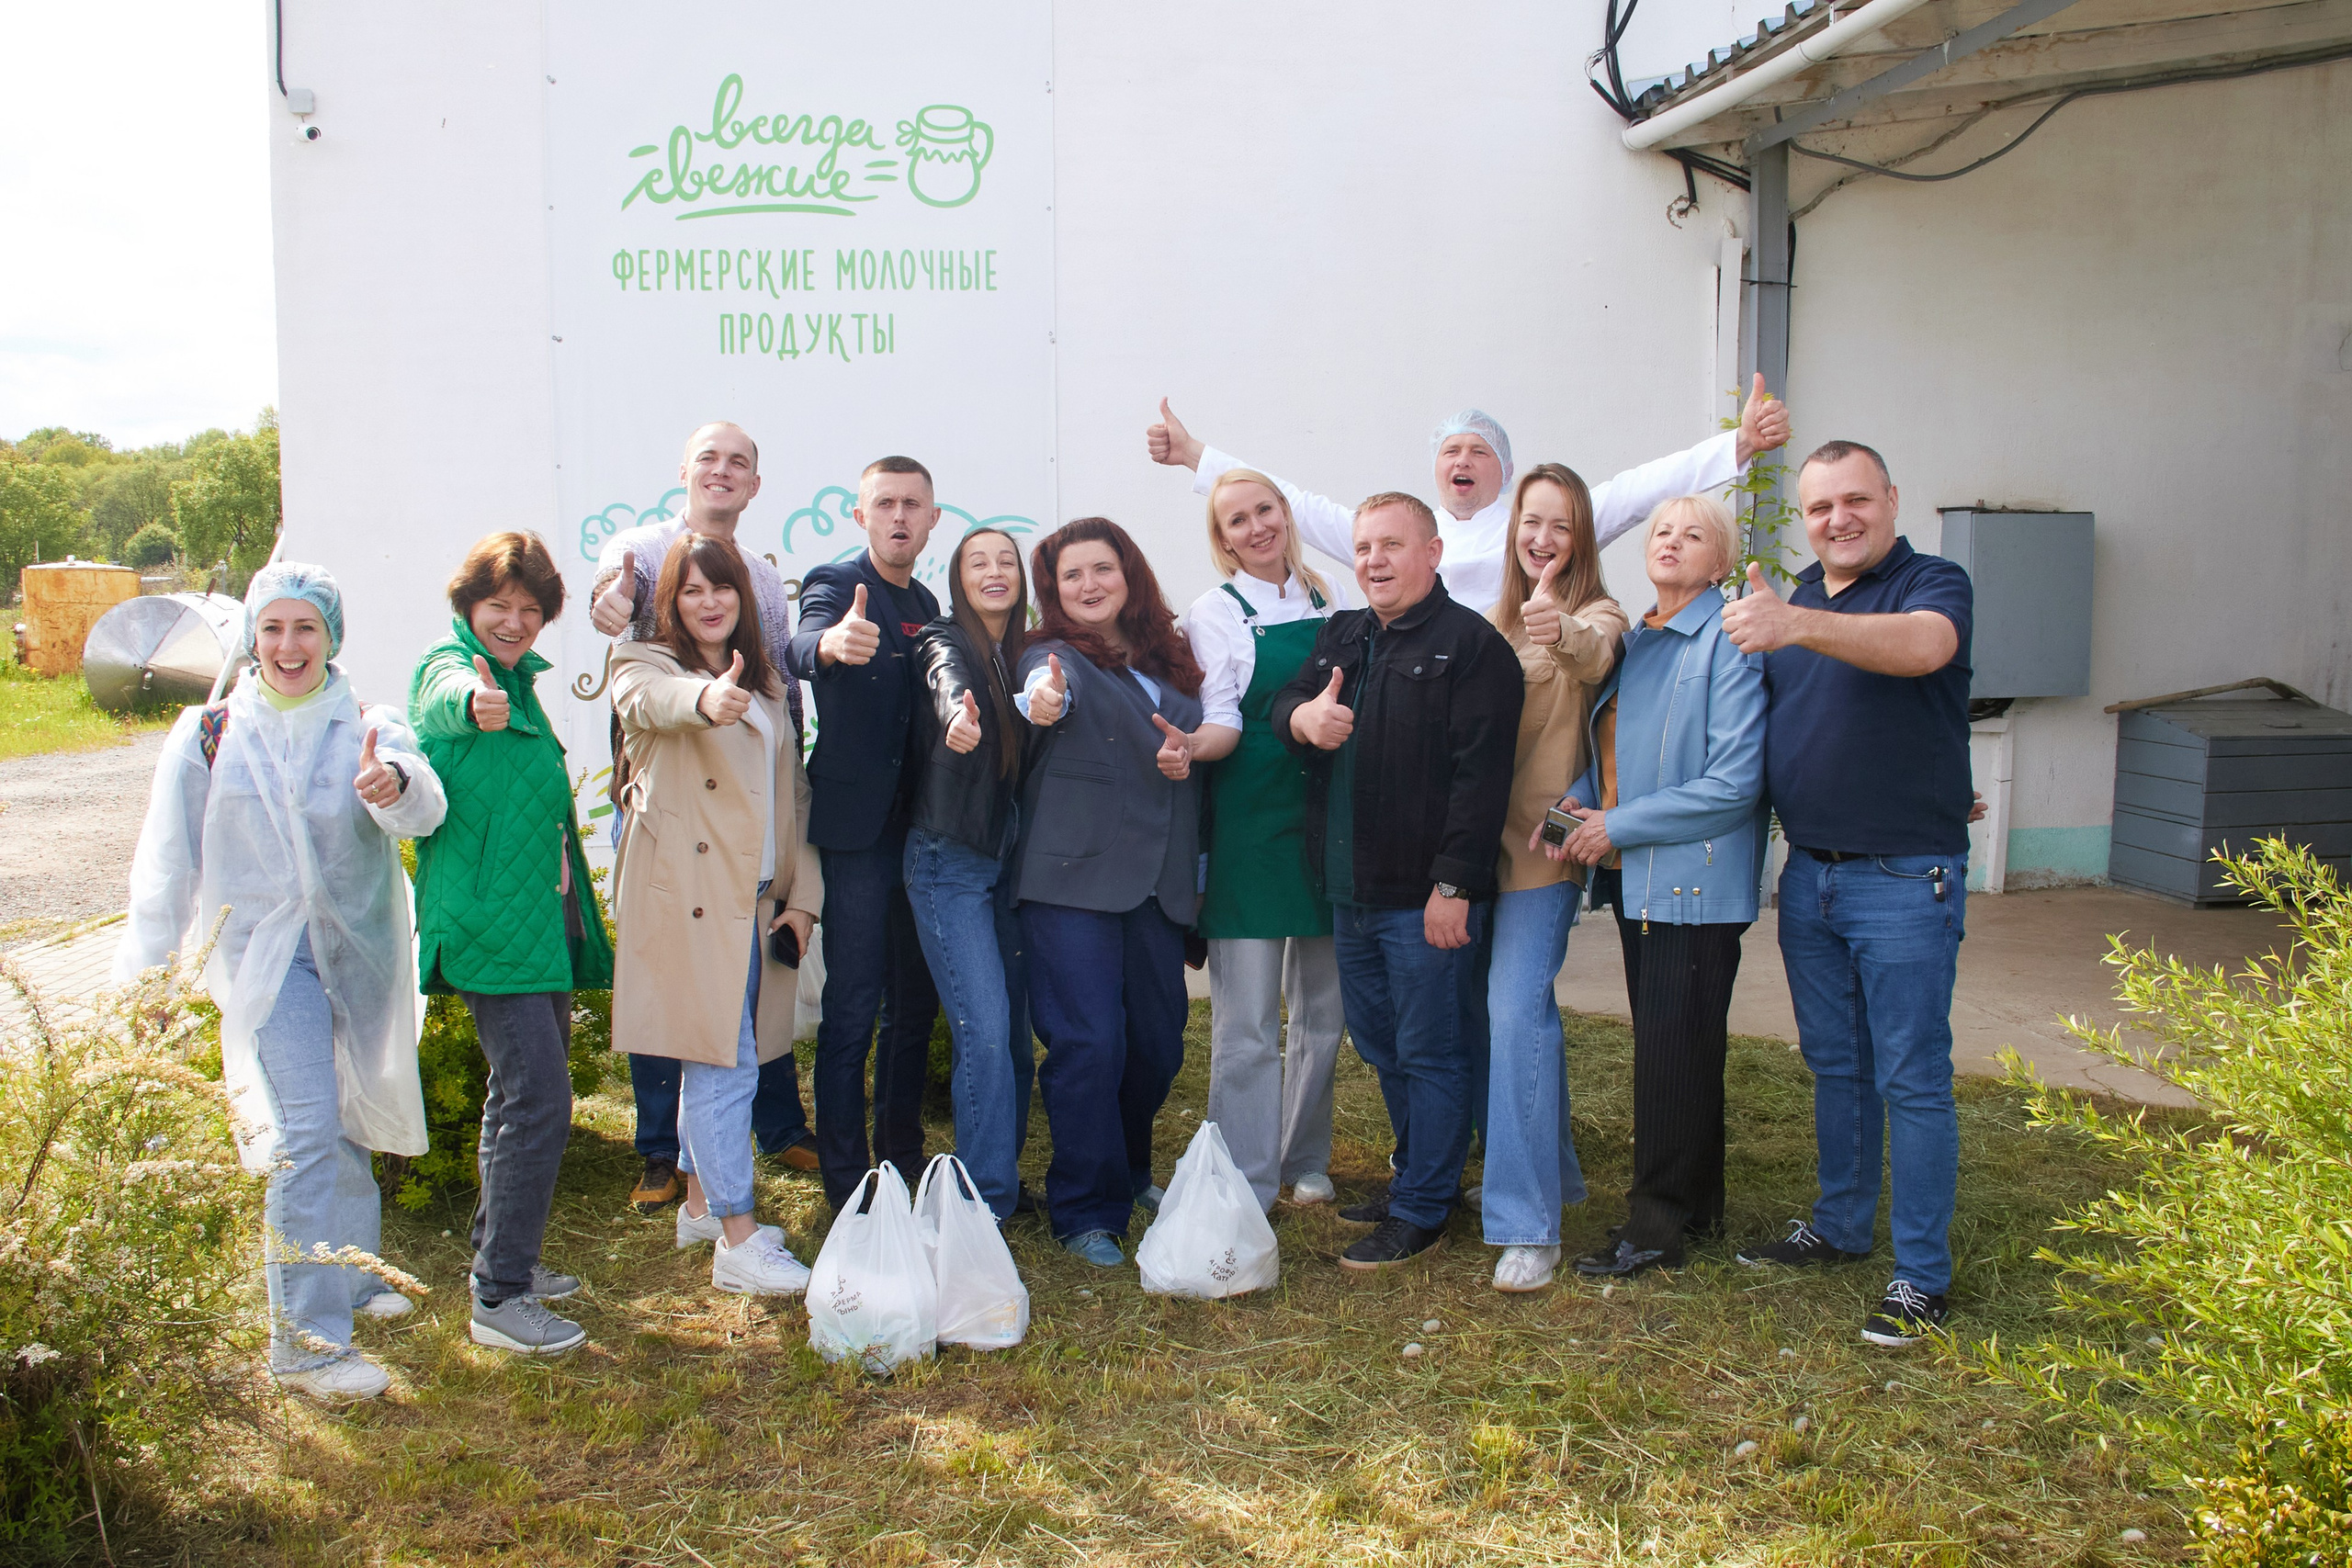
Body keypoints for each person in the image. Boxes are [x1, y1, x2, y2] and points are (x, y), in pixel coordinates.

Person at [114, 563, 447, 1402]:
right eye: (272, 628)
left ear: (332, 636)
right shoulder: (209, 733)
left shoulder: (368, 725)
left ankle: (351, 1276)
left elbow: (424, 805)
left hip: (359, 949)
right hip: (267, 959)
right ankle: (303, 1342)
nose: (288, 645)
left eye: (306, 628)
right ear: (251, 637)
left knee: (348, 1108)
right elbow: (167, 866)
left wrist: (394, 785)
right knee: (304, 1125)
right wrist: (148, 977)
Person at [1718, 440, 1974, 1349]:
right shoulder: (1790, 594)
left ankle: (1920, 1276)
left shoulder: (1928, 583)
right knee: (1838, 1066)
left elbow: (1924, 651)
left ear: (1891, 499)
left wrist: (1795, 623)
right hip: (1813, 876)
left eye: (1855, 501)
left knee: (1911, 1076)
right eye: (1821, 506)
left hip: (1905, 877)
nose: (1838, 520)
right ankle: (1837, 1225)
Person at [1272, 493, 1522, 1270]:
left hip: (1424, 898)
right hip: (1352, 888)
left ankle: (1421, 1207)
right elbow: (1289, 702)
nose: (1374, 560)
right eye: (1363, 547)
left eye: (1391, 545)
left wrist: (1454, 886)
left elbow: (1483, 780)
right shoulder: (1344, 631)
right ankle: (1421, 1176)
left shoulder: (1471, 647)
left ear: (1434, 552)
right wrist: (1301, 720)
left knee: (1432, 1049)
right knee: (1382, 1044)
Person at [588, 421, 816, 1209]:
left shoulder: (762, 576)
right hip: (669, 807)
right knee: (681, 1014)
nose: (722, 473)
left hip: (744, 829)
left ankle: (726, 1163)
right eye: (709, 459)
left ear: (756, 485)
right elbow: (637, 670)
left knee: (737, 1014)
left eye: (740, 463)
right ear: (683, 469)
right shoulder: (641, 550)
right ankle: (668, 1158)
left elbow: (780, 682)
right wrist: (703, 695)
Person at [1543, 495, 1768, 1280]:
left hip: (1692, 885)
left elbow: (1734, 784)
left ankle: (1654, 1226)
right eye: (1662, 531)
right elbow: (1618, 752)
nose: (1672, 542)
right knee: (1680, 1048)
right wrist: (1583, 799)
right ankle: (1697, 1203)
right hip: (1642, 879)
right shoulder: (1642, 639)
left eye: (1694, 534)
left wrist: (1621, 823)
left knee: (1671, 1055)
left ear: (1720, 563)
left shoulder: (1729, 641)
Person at [410, 531, 616, 1356]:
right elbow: (443, 698)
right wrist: (472, 700)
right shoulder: (451, 666)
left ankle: (504, 1259)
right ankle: (499, 1295)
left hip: (537, 923)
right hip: (492, 924)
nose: (515, 621)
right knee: (540, 1097)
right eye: (500, 606)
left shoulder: (526, 685)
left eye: (531, 610)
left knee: (516, 1092)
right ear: (470, 606)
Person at [610, 535, 821, 1297]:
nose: (709, 602)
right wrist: (704, 699)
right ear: (670, 599)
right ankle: (736, 1234)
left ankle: (699, 1202)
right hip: (693, 900)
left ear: (744, 598)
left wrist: (802, 899)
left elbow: (792, 793)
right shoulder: (641, 665)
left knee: (727, 1054)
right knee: (722, 1062)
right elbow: (655, 706)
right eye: (692, 589)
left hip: (759, 899)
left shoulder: (768, 680)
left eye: (722, 588)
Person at [1146, 380, 1792, 613]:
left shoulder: (1534, 526)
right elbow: (1292, 504)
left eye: (1478, 451)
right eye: (1450, 450)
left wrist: (1735, 447)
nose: (1463, 459)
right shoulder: (1392, 538)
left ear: (1503, 472)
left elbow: (1633, 491)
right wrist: (1196, 454)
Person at [1012, 517, 1205, 1267]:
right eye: (1071, 576)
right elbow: (1039, 697)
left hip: (1159, 880)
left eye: (1103, 569)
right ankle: (1086, 1208)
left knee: (1156, 1043)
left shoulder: (1172, 655)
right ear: (1053, 592)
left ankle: (1128, 1169)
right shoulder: (1049, 655)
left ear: (1130, 574)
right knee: (1089, 1042)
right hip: (1071, 879)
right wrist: (1043, 700)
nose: (1089, 585)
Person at [1171, 469, 1348, 1213]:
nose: (1256, 527)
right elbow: (1225, 717)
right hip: (1249, 827)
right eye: (1237, 520)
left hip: (1322, 823)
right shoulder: (1214, 612)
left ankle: (1304, 1156)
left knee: (1324, 1012)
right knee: (1246, 1023)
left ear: (1285, 513)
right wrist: (1190, 745)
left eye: (1265, 510)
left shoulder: (1325, 599)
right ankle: (1245, 1171)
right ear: (1222, 539)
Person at [1477, 465, 1629, 1292]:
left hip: (1543, 853)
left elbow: (1595, 661)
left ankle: (1528, 1224)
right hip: (1475, 854)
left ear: (1581, 540)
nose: (1542, 538)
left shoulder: (1597, 613)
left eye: (1560, 527)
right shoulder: (1493, 626)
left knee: (1516, 1015)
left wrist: (1557, 623)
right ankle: (1554, 1173)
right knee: (1508, 1015)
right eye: (1532, 522)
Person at [783, 455, 946, 1211]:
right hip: (855, 834)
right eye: (886, 503)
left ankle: (903, 1157)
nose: (900, 516)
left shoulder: (929, 598)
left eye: (913, 504)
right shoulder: (834, 580)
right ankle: (848, 1180)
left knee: (913, 1006)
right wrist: (826, 646)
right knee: (852, 1004)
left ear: (932, 519)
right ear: (861, 515)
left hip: (921, 830)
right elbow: (802, 643)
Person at [903, 525, 1035, 1221]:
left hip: (1006, 865)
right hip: (947, 862)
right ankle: (984, 1204)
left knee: (1014, 1035)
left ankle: (997, 1182)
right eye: (977, 562)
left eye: (1005, 561)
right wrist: (958, 712)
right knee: (982, 1029)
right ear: (958, 577)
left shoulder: (1023, 655)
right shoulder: (945, 638)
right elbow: (943, 680)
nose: (994, 571)